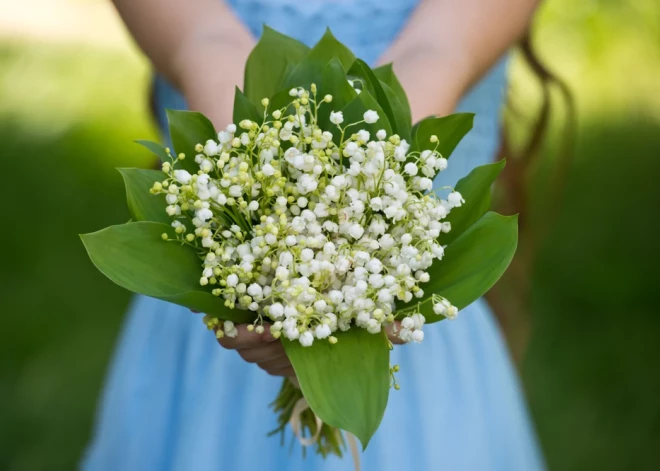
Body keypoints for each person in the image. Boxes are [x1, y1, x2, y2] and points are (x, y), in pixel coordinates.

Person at [83, 0, 546, 469]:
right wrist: (260, 224)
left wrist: (372, 236)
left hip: (402, 293)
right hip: (229, 280)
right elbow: (203, 41)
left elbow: (439, 50)